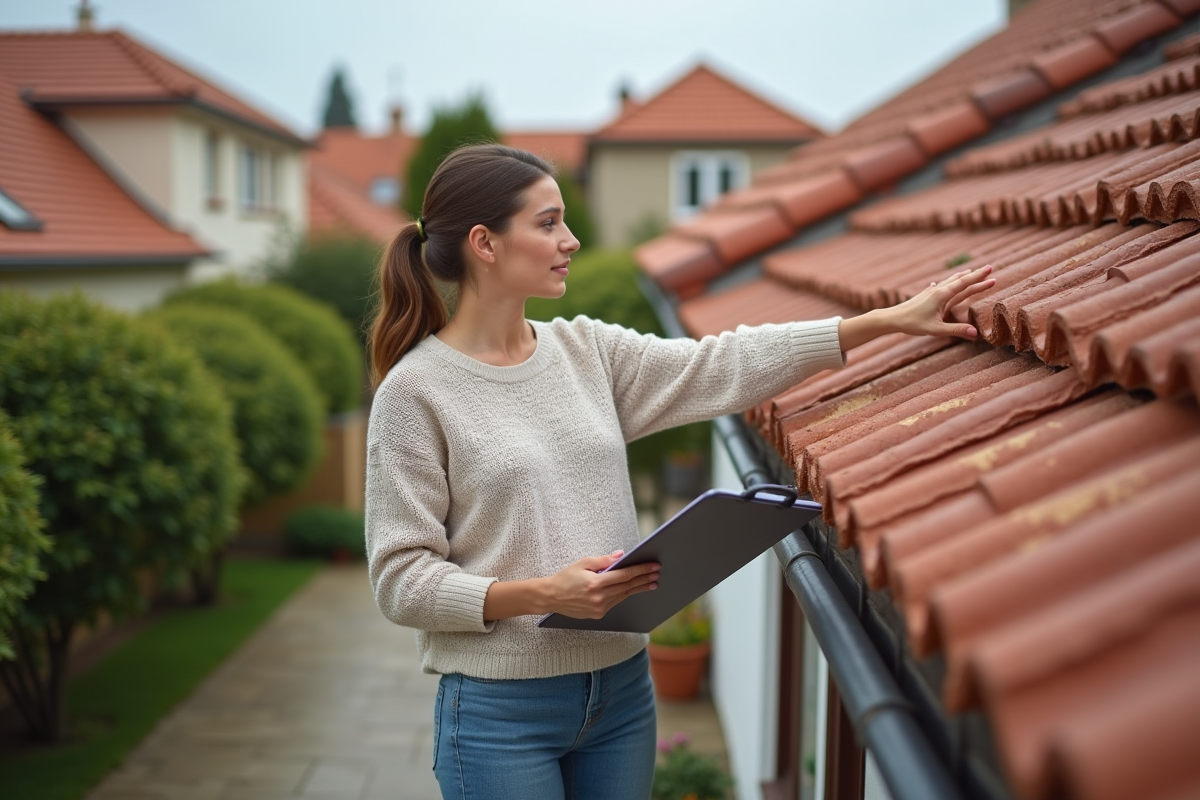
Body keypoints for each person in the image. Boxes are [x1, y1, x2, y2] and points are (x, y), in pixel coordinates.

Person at [364, 143, 994, 800]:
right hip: (499, 716)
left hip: (622, 696)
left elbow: (722, 365)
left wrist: (885, 324)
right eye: (548, 222)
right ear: (484, 244)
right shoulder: (416, 394)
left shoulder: (587, 352)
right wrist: (545, 594)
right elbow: (400, 581)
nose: (571, 240)